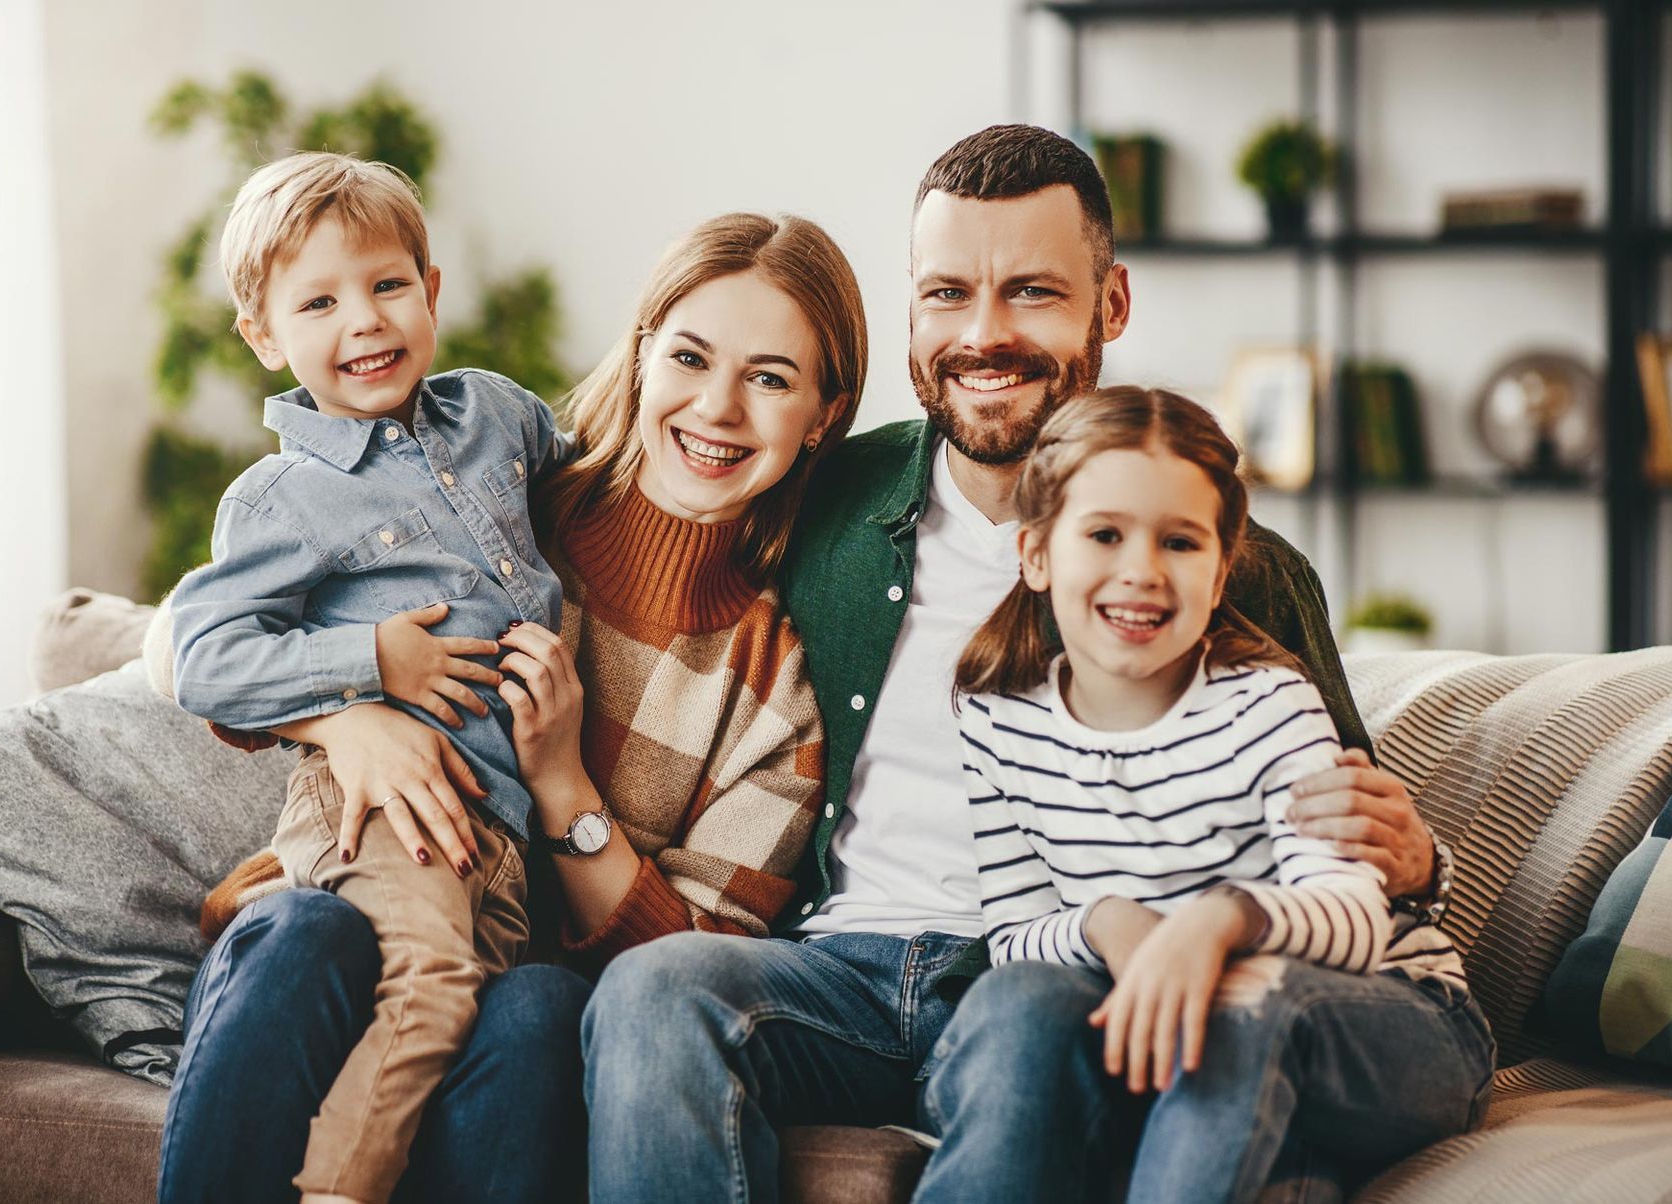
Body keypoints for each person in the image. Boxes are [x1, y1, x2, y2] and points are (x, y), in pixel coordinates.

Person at [581, 124, 1454, 1202]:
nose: (983, 335)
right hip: (841, 968)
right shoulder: (824, 496)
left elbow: (1349, 837)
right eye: (946, 292)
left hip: (1049, 974)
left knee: (1022, 1015)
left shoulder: (1215, 561)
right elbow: (629, 505)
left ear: (1112, 305)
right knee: (657, 989)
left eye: (1033, 293)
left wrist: (1416, 858)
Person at [156, 209, 868, 1203]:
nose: (718, 408)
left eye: (771, 378)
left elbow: (700, 981)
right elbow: (187, 646)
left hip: (508, 980)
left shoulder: (771, 693)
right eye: (692, 357)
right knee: (304, 932)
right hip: (346, 914)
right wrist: (347, 717)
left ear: (823, 416)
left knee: (538, 1007)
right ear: (642, 353)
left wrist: (564, 784)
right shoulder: (501, 496)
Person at [917, 386, 1489, 1203]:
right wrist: (1112, 922)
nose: (1141, 571)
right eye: (1105, 534)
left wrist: (1218, 924)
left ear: (1222, 572)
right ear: (1036, 554)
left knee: (1243, 1003)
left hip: (1394, 1025)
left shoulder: (1268, 702)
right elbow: (1014, 936)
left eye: (1180, 543)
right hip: (1177, 1027)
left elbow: (1359, 918)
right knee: (1019, 1004)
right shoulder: (998, 718)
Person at [166, 150, 572, 1204]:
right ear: (265, 335)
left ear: (432, 291)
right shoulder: (281, 498)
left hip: (500, 831)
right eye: (320, 301)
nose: (366, 321)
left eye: (389, 284)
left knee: (470, 1017)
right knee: (430, 993)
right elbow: (204, 656)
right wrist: (368, 665)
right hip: (382, 809)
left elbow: (602, 487)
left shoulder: (500, 415)